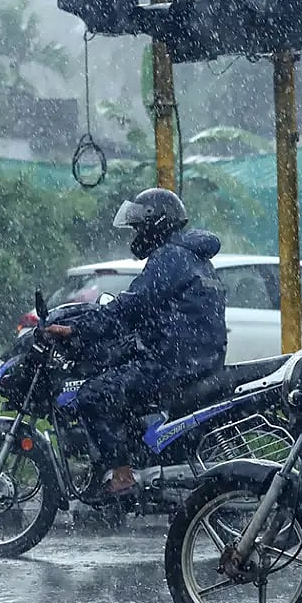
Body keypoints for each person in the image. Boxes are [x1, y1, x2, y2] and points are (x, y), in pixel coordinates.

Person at [45, 188, 227, 498]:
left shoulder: (171, 258)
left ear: (156, 224)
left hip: (172, 363)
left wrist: (76, 330)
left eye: (140, 227)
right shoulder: (194, 258)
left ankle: (121, 476)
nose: (137, 234)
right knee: (119, 383)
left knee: (93, 395)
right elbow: (153, 313)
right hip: (197, 360)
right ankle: (133, 459)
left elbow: (131, 306)